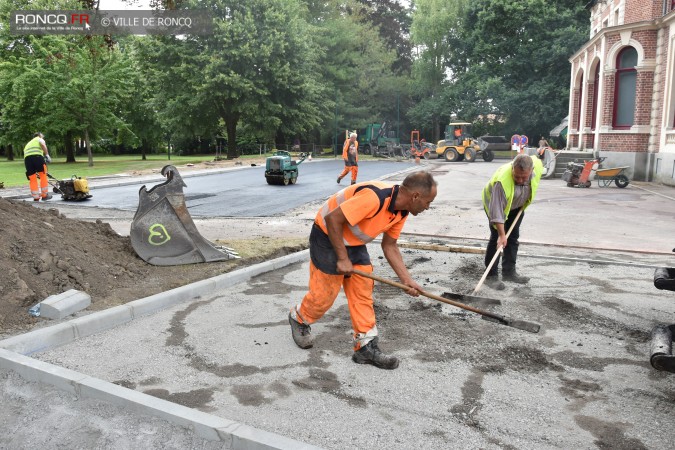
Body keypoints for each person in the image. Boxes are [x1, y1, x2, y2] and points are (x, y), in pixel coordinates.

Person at [289, 171, 438, 369]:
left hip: (353, 241)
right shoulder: (375, 198)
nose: (428, 207)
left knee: (362, 290)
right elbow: (333, 219)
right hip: (326, 235)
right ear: (415, 196)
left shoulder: (401, 211)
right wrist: (342, 258)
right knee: (324, 295)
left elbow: (390, 245)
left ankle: (365, 347)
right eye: (428, 202)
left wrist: (406, 280)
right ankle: (298, 318)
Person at [482, 153, 543, 290]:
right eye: (517, 176)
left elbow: (538, 160)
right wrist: (502, 235)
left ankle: (509, 272)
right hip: (495, 205)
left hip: (516, 206)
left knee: (513, 237)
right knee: (497, 239)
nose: (520, 180)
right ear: (512, 169)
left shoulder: (536, 167)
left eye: (524, 177)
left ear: (531, 171)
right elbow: (497, 213)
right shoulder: (502, 182)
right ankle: (490, 276)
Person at [23, 132, 52, 202]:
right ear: (39, 135)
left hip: (27, 160)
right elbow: (43, 145)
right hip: (38, 157)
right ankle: (44, 195)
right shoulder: (39, 139)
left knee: (32, 178)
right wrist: (47, 155)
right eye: (42, 136)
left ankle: (36, 197)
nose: (43, 137)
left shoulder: (28, 143)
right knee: (43, 175)